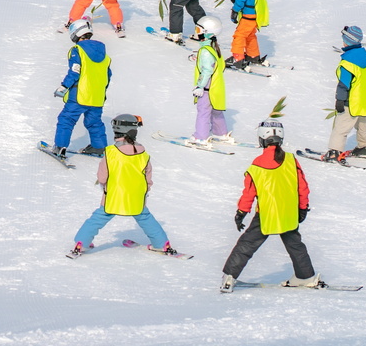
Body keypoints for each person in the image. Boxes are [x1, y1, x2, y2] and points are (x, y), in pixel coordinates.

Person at [220, 119, 318, 292]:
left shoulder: (257, 165)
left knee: (247, 244)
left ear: (262, 139)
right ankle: (306, 276)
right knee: (295, 245)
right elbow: (302, 186)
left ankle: (229, 278)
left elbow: (249, 192)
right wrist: (303, 208)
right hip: (288, 212)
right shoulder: (290, 160)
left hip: (267, 214)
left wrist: (241, 212)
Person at [71, 113, 178, 257]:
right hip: (136, 195)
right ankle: (161, 244)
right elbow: (148, 177)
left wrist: (104, 184)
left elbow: (102, 177)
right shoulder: (143, 154)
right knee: (145, 218)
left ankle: (81, 243)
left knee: (98, 218)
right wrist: (146, 189)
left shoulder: (110, 152)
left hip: (114, 194)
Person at [48, 18, 111, 158]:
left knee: (66, 119)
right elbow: (108, 76)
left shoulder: (77, 50)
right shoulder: (105, 55)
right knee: (94, 122)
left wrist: (64, 87)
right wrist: (102, 92)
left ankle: (60, 147)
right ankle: (99, 147)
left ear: (75, 33)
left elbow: (75, 71)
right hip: (97, 97)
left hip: (79, 95)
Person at [319, 25, 366, 162]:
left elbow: (343, 84)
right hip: (364, 101)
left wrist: (340, 100)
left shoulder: (348, 62)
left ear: (348, 41)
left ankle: (335, 152)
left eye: (344, 40)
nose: (343, 42)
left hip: (350, 102)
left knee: (341, 127)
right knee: (362, 124)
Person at [187, 16, 231, 146]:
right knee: (216, 111)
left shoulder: (205, 51)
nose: (197, 32)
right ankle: (220, 133)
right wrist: (198, 58)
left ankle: (201, 137)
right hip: (216, 88)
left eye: (199, 29)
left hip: (206, 89)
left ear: (207, 33)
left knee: (203, 112)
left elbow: (207, 71)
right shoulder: (213, 48)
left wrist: (200, 86)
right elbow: (218, 65)